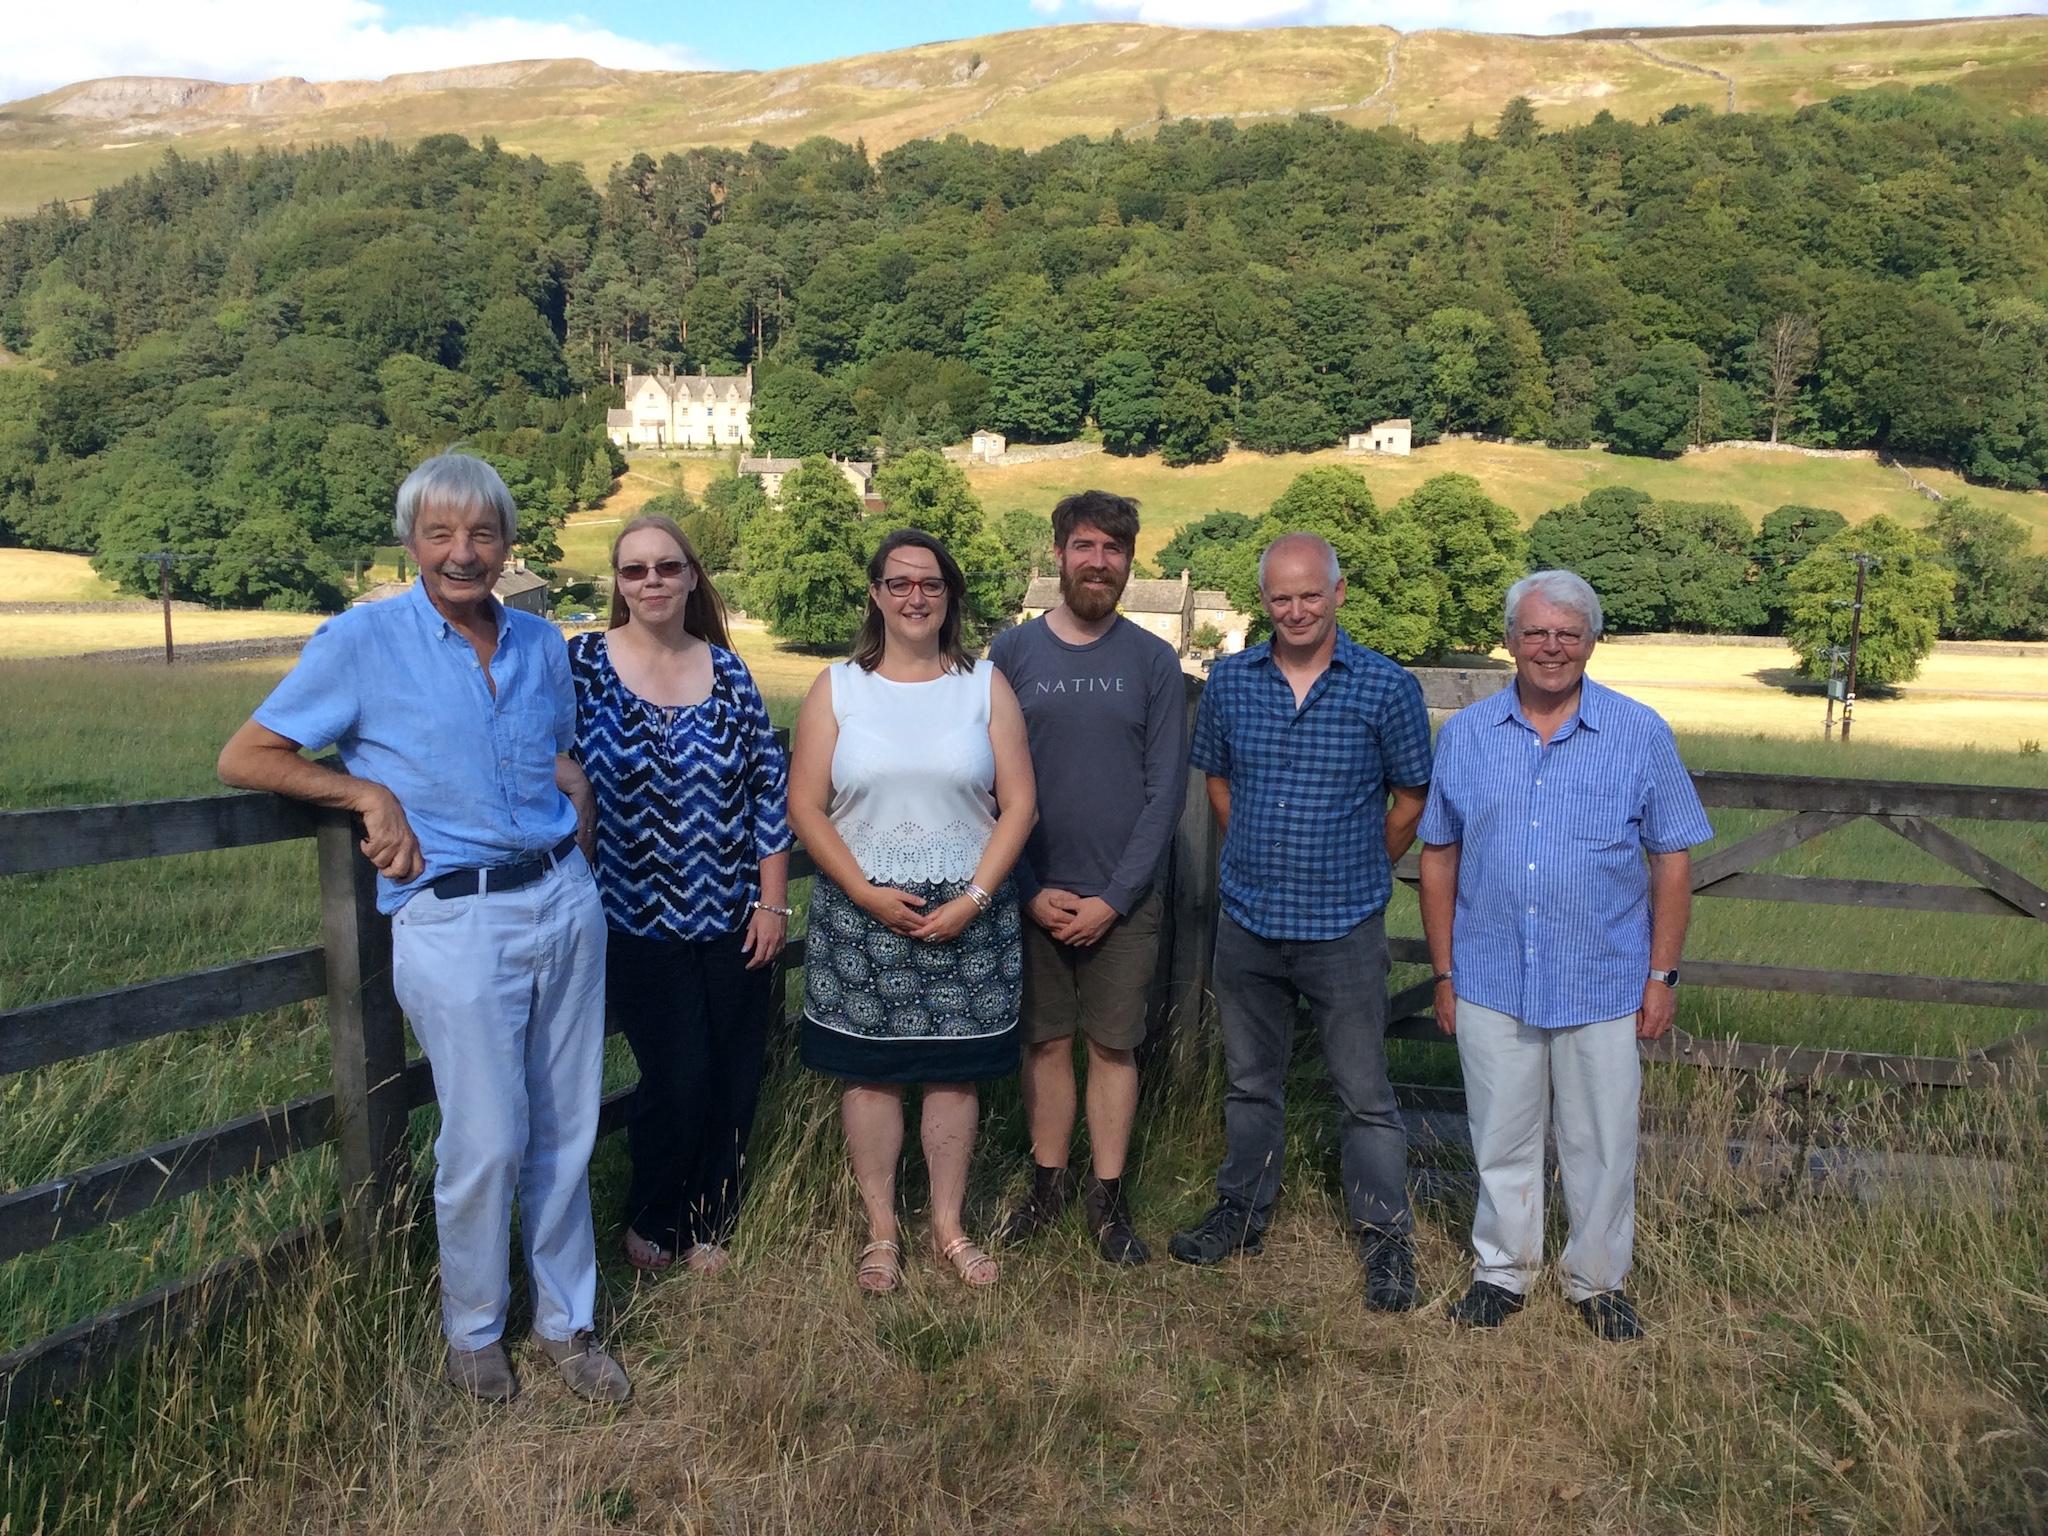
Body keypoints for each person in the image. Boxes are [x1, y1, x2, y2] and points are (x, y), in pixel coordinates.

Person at [217, 452, 627, 1403]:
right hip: (454, 916)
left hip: (564, 900)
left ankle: (568, 1322)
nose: (462, 552)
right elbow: (248, 755)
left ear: (507, 544)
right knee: (485, 1136)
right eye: (440, 533)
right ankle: (474, 1331)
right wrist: (362, 793)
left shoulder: (539, 643)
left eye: (482, 533)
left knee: (567, 1124)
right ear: (410, 543)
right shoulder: (362, 642)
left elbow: (559, 763)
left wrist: (582, 834)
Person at [1418, 569, 1711, 1342]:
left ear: (1591, 642)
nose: (1551, 647)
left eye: (1568, 634)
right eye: (1536, 633)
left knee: (1602, 1142)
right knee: (1500, 1135)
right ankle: (1502, 1274)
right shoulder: (1468, 736)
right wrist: (1445, 973)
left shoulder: (1640, 732)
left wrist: (1661, 975)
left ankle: (1597, 1283)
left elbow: (1674, 858)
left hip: (1605, 979)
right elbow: (1438, 855)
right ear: (1510, 641)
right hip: (1490, 976)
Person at [1171, 532, 1432, 1314]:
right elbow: (1218, 782)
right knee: (1252, 1084)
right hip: (1249, 920)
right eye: (1280, 597)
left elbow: (1410, 798)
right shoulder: (1230, 681)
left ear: (1339, 593)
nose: (1294, 610)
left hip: (1345, 925)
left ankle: (1386, 1243)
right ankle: (1241, 1214)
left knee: (1364, 1092)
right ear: (1266, 601)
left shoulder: (1385, 687)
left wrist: (1363, 867)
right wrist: (1247, 856)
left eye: (1309, 595)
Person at [786, 528, 1036, 1294]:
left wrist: (976, 898)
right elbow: (805, 804)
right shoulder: (838, 687)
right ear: (876, 595)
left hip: (971, 911)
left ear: (950, 595)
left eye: (930, 584)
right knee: (871, 1077)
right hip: (863, 913)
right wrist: (862, 891)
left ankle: (949, 1228)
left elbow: (1020, 803)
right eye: (899, 584)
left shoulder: (983, 686)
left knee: (954, 1077)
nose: (915, 597)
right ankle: (882, 1232)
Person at [569, 512, 791, 1278]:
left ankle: (711, 1223)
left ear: (692, 576)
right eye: (636, 570)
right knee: (678, 1075)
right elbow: (538, 756)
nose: (653, 582)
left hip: (734, 916)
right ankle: (654, 1215)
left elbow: (768, 786)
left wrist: (771, 902)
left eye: (668, 567)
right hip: (631, 917)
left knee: (734, 1073)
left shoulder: (726, 671)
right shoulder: (584, 665)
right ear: (618, 584)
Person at [988, 491, 1186, 1264]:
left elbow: (1164, 790)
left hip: (1122, 900)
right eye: (1084, 546)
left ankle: (1107, 1196)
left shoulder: (1152, 661)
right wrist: (1027, 888)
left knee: (1112, 1047)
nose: (1097, 561)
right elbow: (989, 784)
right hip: (1029, 889)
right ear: (1058, 555)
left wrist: (1113, 898)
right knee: (1043, 1043)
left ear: (1130, 563)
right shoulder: (1011, 656)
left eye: (1113, 549)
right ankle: (1048, 1182)